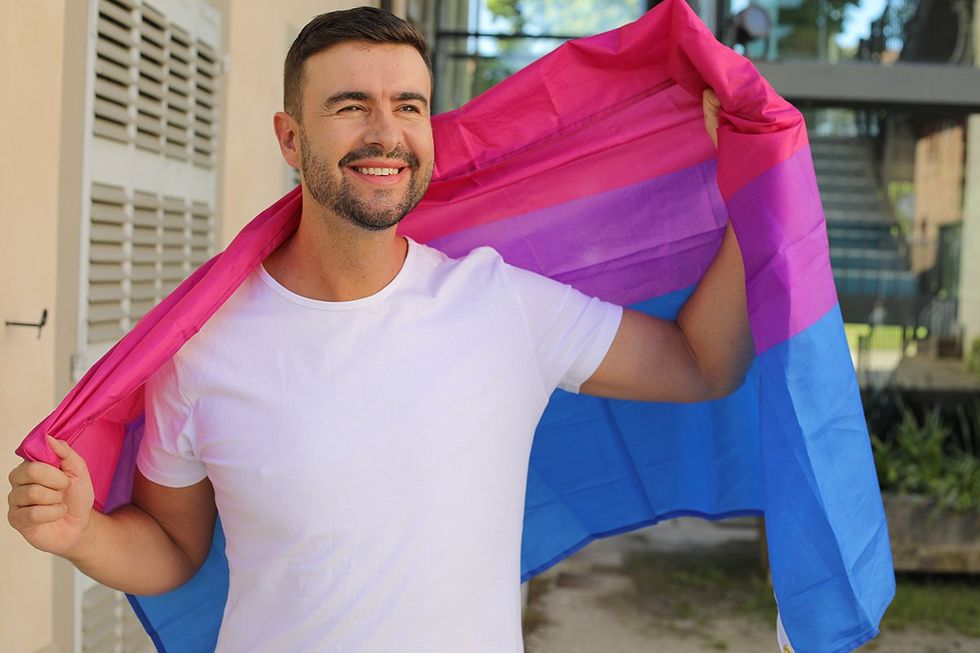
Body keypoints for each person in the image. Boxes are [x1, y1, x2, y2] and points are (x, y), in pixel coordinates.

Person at [7, 7, 752, 652]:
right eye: (351, 106)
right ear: (290, 139)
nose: (386, 133)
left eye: (409, 106)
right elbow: (174, 545)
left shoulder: (502, 306)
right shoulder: (201, 348)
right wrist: (84, 534)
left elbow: (700, 362)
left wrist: (757, 187)